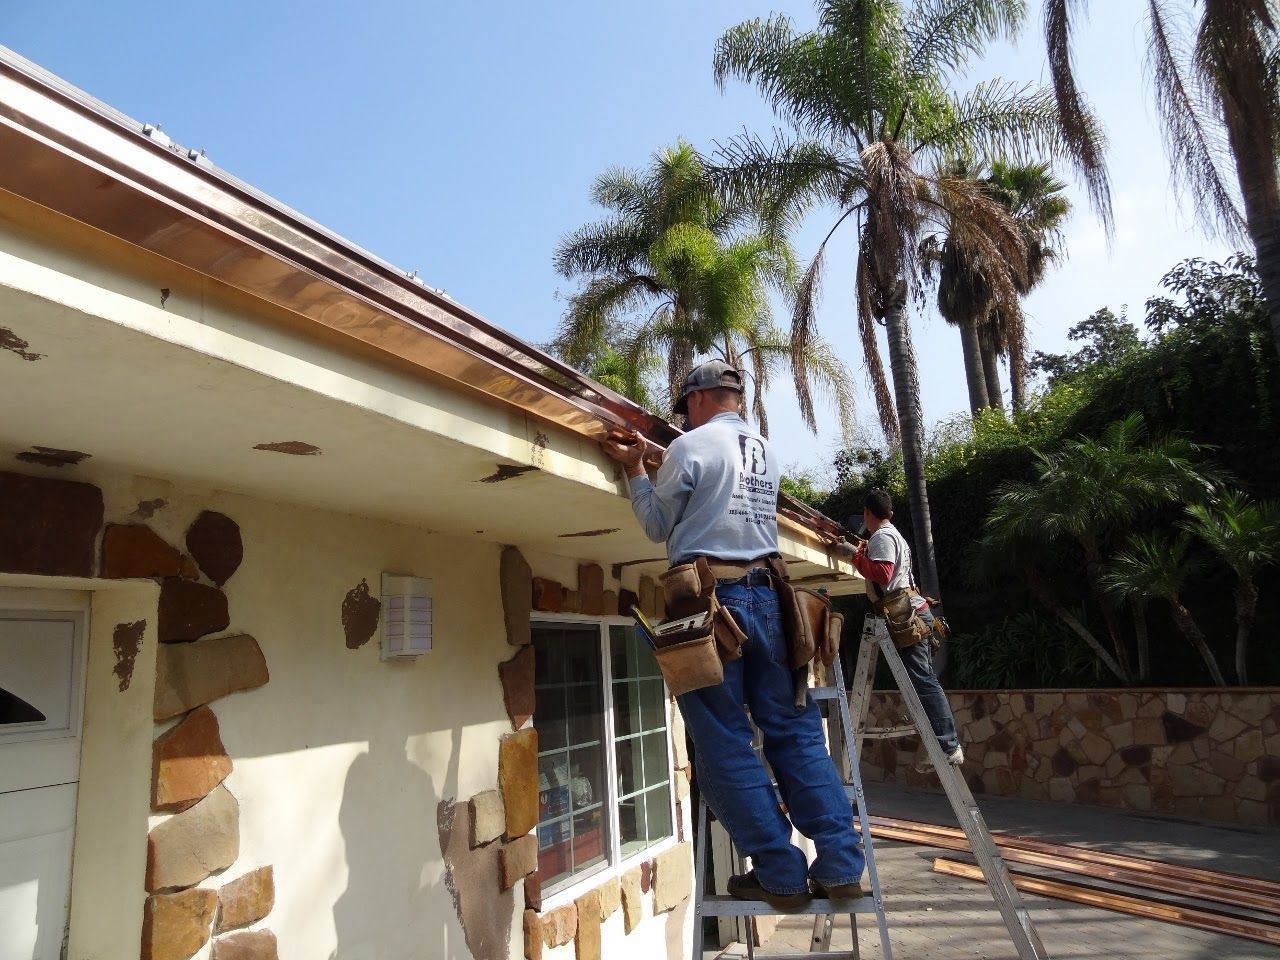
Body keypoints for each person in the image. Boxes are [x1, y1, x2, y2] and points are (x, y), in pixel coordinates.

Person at [601, 360, 864, 909]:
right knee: (794, 734)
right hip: (772, 599)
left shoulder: (689, 447)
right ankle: (840, 865)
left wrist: (634, 470)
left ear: (697, 400)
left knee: (723, 739)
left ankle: (780, 872)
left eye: (685, 409)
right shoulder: (764, 449)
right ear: (735, 398)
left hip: (711, 603)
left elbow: (655, 525)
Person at [849, 489, 964, 770]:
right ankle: (942, 744)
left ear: (867, 513)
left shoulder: (883, 537)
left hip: (905, 615)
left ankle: (948, 744)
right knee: (923, 680)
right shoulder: (892, 535)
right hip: (913, 612)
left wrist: (853, 557)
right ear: (890, 513)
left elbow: (884, 574)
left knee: (924, 681)